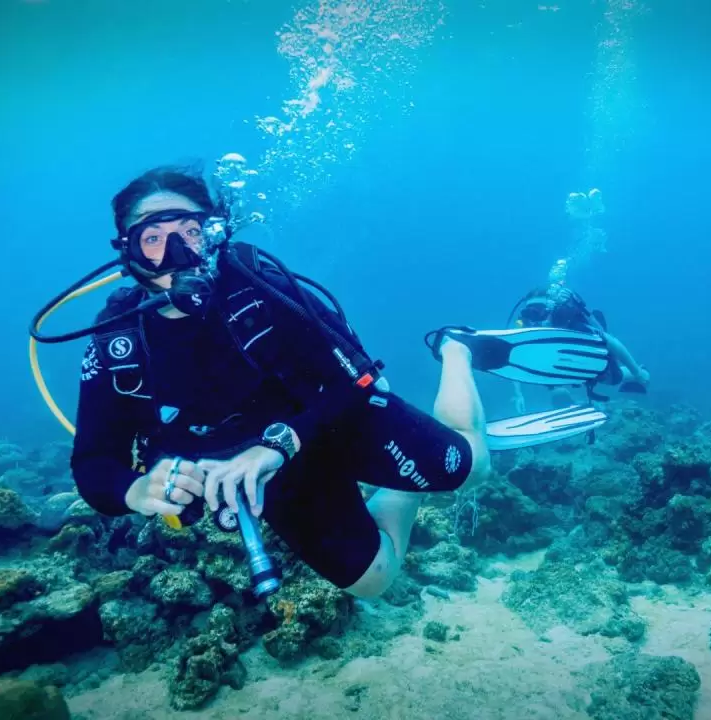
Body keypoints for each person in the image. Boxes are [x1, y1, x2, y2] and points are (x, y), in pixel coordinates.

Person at [69, 164, 494, 600]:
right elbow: (93, 460)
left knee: (476, 468)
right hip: (266, 474)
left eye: (190, 231)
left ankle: (455, 349)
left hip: (336, 422)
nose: (176, 252)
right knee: (373, 581)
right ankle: (401, 487)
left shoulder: (262, 290)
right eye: (153, 239)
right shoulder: (117, 345)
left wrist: (280, 443)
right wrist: (135, 490)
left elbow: (359, 379)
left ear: (215, 234)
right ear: (128, 252)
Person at [505, 276, 650, 414]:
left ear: (551, 310)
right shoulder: (527, 329)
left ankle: (643, 372)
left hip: (587, 360)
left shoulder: (574, 326)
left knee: (613, 379)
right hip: (561, 364)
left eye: (539, 311)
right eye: (530, 313)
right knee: (554, 386)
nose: (535, 320)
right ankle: (563, 391)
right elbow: (514, 360)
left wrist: (637, 372)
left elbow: (613, 343)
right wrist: (518, 395)